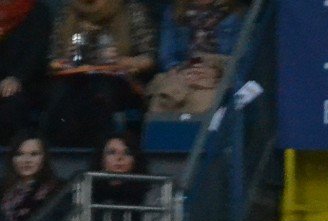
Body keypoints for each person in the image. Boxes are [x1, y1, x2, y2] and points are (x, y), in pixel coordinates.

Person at [42, 0, 157, 146]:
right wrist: (67, 57)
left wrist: (123, 61)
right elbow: (52, 60)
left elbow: (149, 58)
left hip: (117, 80)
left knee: (100, 92)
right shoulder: (67, 10)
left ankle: (98, 153)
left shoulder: (131, 9)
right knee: (60, 93)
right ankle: (60, 152)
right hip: (74, 78)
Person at [147, 0, 243, 114]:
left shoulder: (237, 14)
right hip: (183, 72)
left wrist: (217, 71)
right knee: (164, 96)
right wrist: (188, 71)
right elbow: (167, 56)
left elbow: (243, 58)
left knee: (207, 99)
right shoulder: (173, 12)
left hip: (220, 75)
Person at [0, 0, 52, 144]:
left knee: (12, 104)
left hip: (25, 81)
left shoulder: (35, 10)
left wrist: (17, 77)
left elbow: (36, 52)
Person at [0, 130, 59, 221]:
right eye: (20, 154)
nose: (27, 160)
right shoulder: (3, 189)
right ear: (12, 159)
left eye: (34, 154)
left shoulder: (58, 191)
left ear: (44, 158)